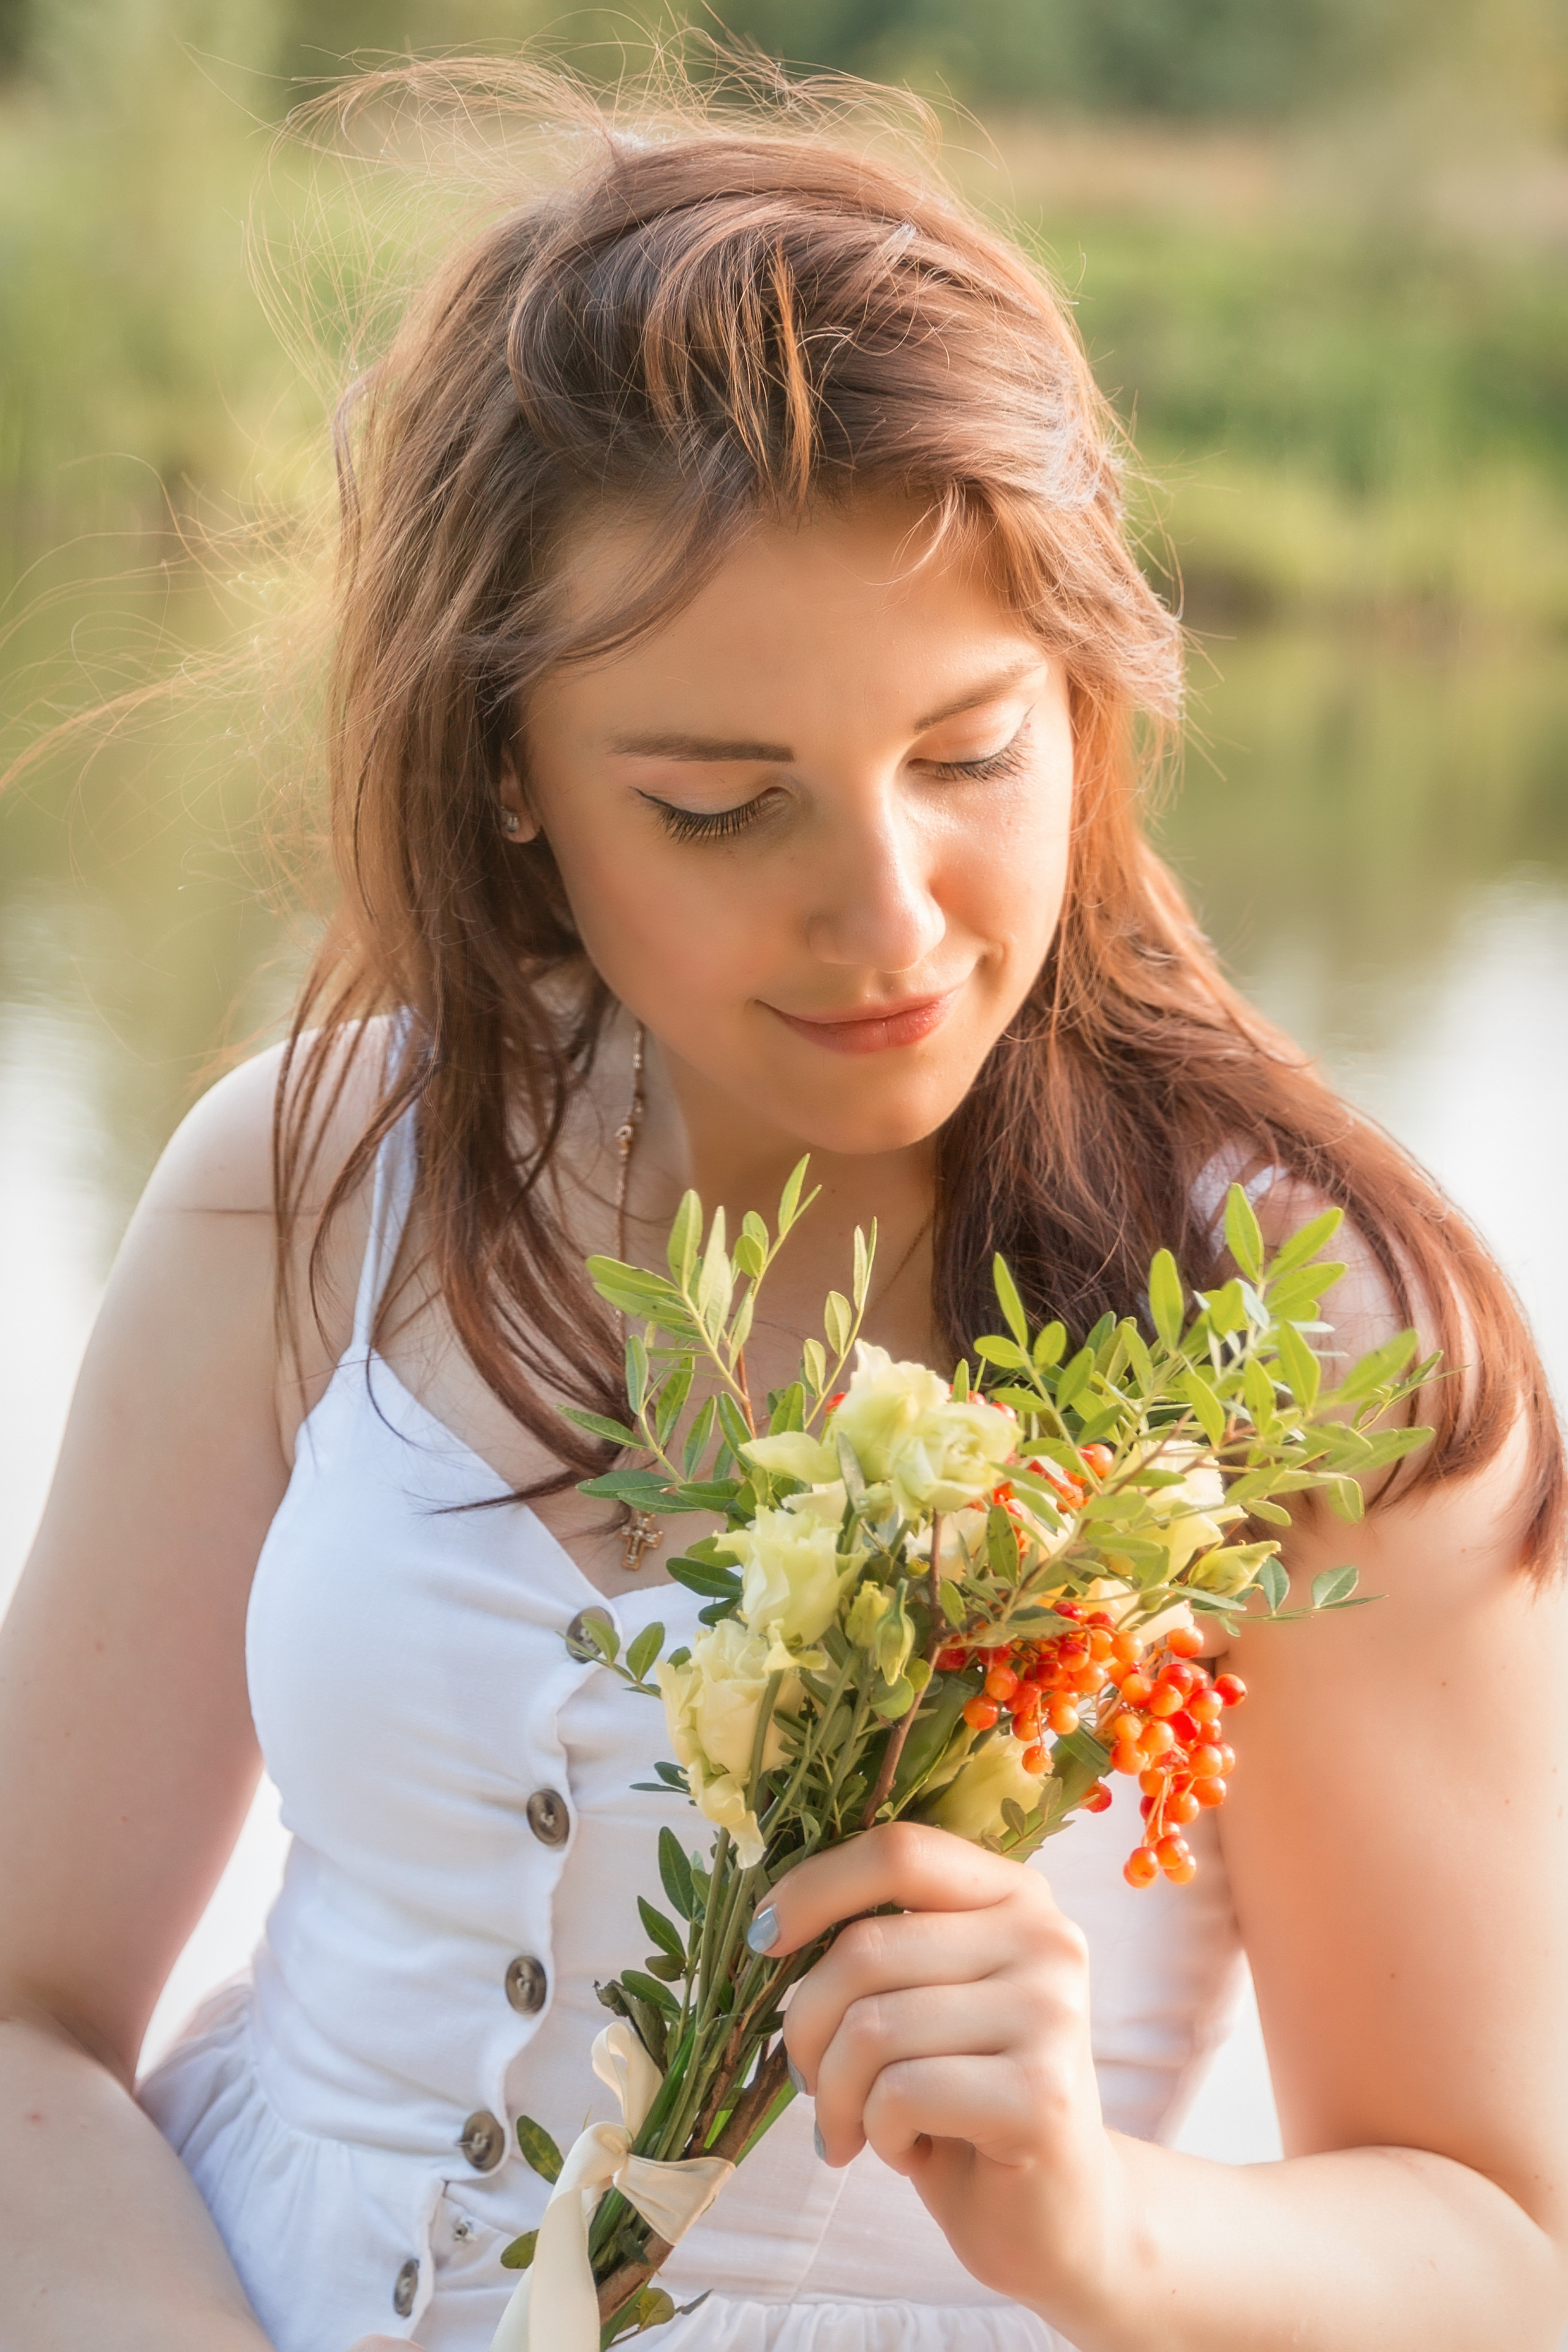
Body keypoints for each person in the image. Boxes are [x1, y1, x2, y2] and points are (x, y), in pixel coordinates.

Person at [1, 58, 1565, 2352]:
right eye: (722, 804)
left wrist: (1100, 2227)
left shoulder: (1308, 1334)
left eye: (966, 757)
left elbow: (1507, 2251)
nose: (894, 920)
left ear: (1089, 702)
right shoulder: (312, 1177)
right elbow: (27, 2029)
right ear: (512, 780)